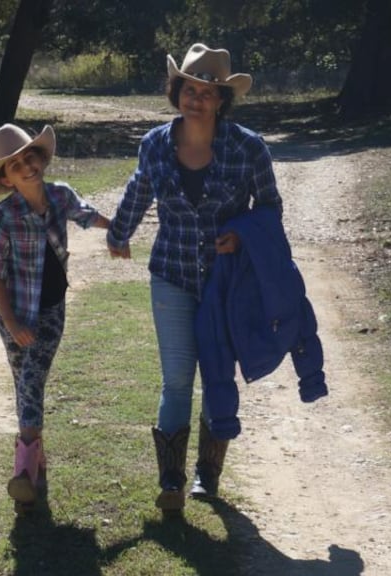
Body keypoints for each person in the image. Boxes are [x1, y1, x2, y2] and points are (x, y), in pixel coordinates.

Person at [106, 43, 284, 515]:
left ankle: (208, 476)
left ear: (222, 100)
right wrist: (119, 232)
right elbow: (139, 188)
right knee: (176, 380)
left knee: (218, 375)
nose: (197, 99)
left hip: (227, 282)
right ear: (177, 91)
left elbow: (270, 209)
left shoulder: (249, 147)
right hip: (172, 275)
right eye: (190, 89)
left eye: (208, 92)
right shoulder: (155, 144)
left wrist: (242, 237)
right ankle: (171, 482)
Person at [0, 123, 110, 514]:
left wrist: (116, 230)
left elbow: (87, 215)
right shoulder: (3, 215)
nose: (27, 167)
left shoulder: (59, 195)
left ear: (41, 158)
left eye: (30, 157)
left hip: (51, 310)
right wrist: (13, 323)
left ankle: (23, 475)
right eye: (16, 165)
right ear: (6, 178)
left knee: (32, 379)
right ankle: (36, 466)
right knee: (24, 383)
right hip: (13, 315)